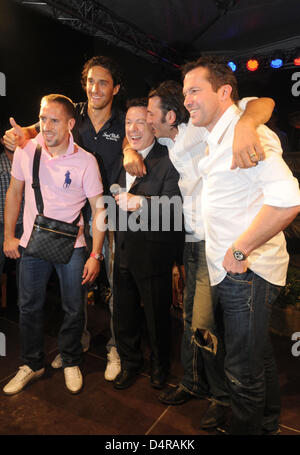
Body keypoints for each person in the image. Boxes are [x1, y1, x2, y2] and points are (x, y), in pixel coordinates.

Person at [123, 81, 276, 428]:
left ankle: (221, 399)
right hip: (191, 242)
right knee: (191, 318)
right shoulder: (165, 139)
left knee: (205, 324)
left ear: (170, 115)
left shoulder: (199, 129)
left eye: (149, 113)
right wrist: (128, 152)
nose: (144, 120)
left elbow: (262, 101)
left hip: (215, 241)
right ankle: (194, 383)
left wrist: (248, 125)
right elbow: (132, 142)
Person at [182, 55, 300, 434]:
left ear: (224, 92)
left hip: (246, 274)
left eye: (195, 90)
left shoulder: (249, 133)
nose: (187, 100)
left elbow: (288, 200)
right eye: (185, 92)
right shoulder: (227, 128)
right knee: (259, 356)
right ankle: (266, 424)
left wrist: (238, 251)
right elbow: (256, 105)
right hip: (234, 271)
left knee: (241, 370)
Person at [3, 55, 124, 381]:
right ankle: (51, 356)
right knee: (42, 305)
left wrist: (135, 153)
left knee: (105, 291)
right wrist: (20, 134)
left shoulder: (122, 124)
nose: (96, 88)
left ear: (115, 88)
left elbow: (101, 204)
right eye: (90, 81)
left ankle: (110, 349)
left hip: (103, 220)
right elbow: (45, 123)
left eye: (103, 82)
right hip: (44, 234)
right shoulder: (64, 120)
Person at [111, 98, 184, 390]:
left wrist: (140, 202)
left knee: (156, 317)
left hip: (154, 255)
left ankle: (160, 366)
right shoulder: (122, 158)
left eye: (141, 121)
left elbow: (175, 208)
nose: (134, 128)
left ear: (153, 125)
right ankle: (130, 363)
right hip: (124, 252)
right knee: (124, 314)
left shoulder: (169, 160)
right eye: (128, 122)